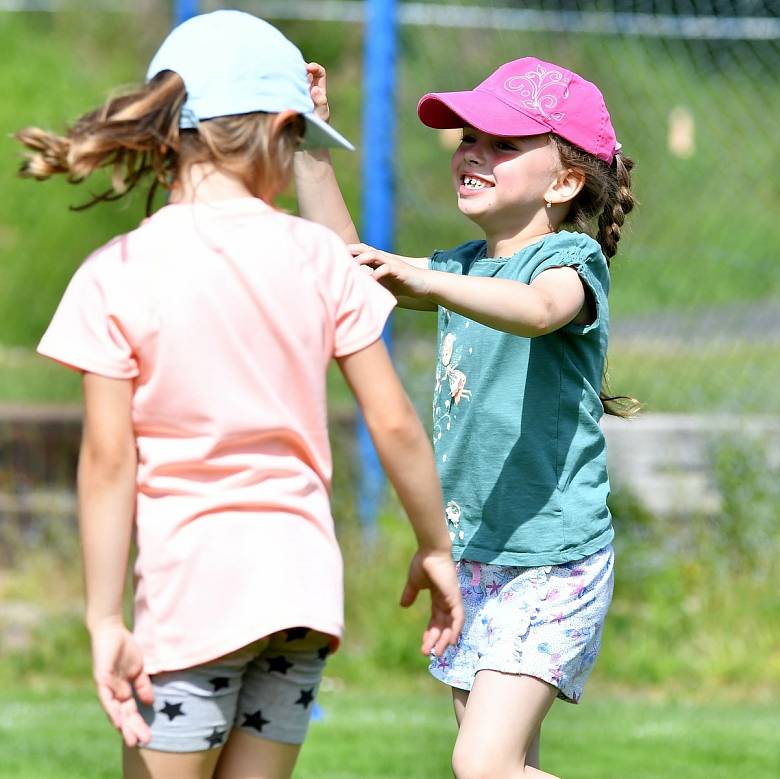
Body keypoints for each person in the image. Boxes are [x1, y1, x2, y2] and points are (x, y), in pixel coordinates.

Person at [17, 10, 463, 779]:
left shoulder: (117, 272)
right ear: (284, 129)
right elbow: (394, 425)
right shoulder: (320, 259)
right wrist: (435, 547)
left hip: (193, 600)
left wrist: (101, 618)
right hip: (300, 600)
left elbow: (106, 460)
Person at [294, 55, 637, 779]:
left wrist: (430, 278)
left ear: (566, 180)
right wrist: (309, 141)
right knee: (503, 765)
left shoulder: (569, 261)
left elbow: (542, 311)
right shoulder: (466, 267)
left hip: (553, 560)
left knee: (482, 765)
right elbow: (347, 268)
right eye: (468, 137)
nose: (472, 152)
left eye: (503, 143)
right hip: (478, 553)